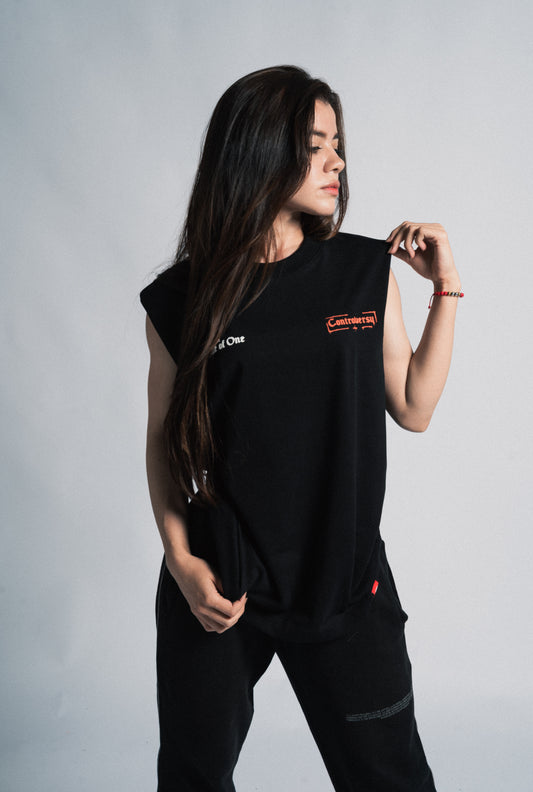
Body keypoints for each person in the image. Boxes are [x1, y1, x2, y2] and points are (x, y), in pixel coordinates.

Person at [140, 65, 461, 792]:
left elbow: (413, 406)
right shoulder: (179, 299)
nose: (336, 161)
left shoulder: (361, 271)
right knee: (192, 778)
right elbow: (162, 440)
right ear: (257, 149)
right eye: (314, 146)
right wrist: (182, 563)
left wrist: (445, 287)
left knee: (390, 779)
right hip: (220, 584)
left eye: (337, 145)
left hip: (343, 582)